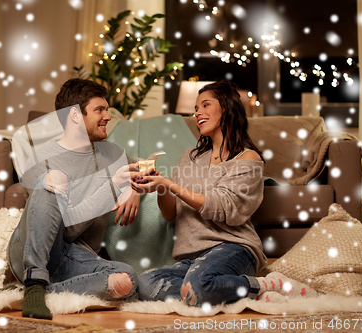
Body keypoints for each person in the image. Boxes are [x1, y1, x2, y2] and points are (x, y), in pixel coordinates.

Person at [133, 80, 317, 306]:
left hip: (231, 248)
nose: (198, 113)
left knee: (199, 287)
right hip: (191, 256)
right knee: (144, 284)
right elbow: (171, 214)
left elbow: (221, 207)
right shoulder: (190, 156)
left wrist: (169, 183)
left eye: (205, 105)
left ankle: (267, 285)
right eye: (196, 108)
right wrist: (160, 186)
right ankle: (231, 292)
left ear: (226, 108)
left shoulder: (248, 158)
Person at [0, 78, 146, 319]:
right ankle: (34, 280)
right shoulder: (44, 159)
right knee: (52, 182)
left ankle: (21, 294)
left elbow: (142, 168)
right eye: (100, 110)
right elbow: (63, 230)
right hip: (37, 251)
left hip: (77, 257)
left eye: (106, 109)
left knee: (126, 280)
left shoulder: (112, 154)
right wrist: (113, 186)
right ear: (75, 115)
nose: (108, 116)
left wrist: (135, 189)